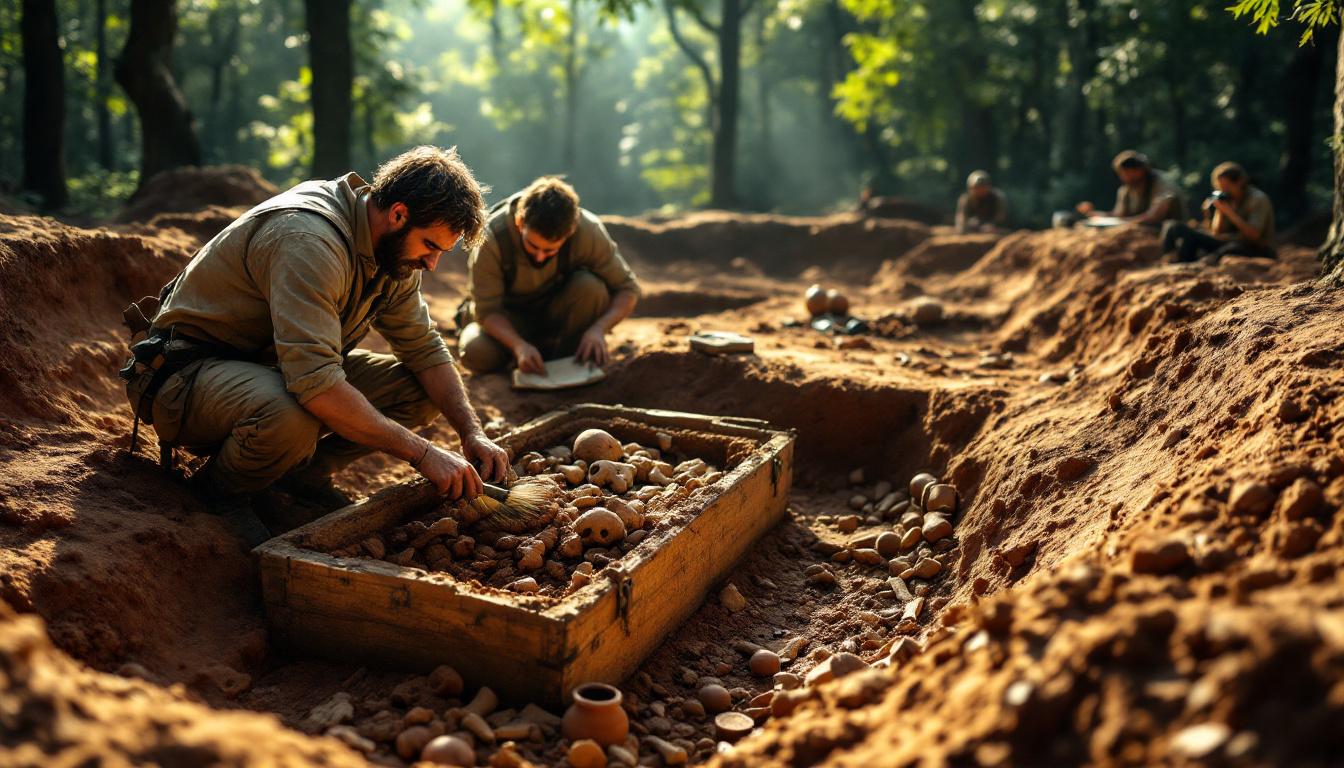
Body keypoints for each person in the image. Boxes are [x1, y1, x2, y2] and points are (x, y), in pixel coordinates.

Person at [120, 146, 509, 544]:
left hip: (273, 368)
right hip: (185, 375)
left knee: (419, 392)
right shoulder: (309, 240)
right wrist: (423, 454)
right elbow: (315, 384)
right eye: (430, 247)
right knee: (291, 415)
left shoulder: (393, 251)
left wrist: (471, 431)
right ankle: (221, 495)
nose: (432, 265)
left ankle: (292, 477)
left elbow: (424, 349)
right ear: (398, 214)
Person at [457, 177, 640, 374]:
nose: (540, 256)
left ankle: (563, 358)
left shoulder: (588, 230)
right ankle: (524, 359)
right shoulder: (491, 236)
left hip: (557, 314)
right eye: (533, 245)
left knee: (591, 287)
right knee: (475, 352)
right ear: (520, 223)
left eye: (550, 250)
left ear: (570, 231)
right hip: (509, 319)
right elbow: (487, 312)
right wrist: (519, 346)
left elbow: (628, 289)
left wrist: (598, 329)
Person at [1160, 162, 1276, 264]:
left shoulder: (1257, 199)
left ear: (1240, 182)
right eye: (1220, 187)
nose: (1224, 191)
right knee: (1180, 230)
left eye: (1226, 187)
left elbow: (1254, 235)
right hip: (1230, 242)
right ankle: (1181, 264)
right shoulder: (1229, 199)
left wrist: (1229, 212)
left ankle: (1203, 262)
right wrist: (1218, 211)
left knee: (1232, 248)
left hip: (1257, 248)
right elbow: (1217, 232)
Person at [1060, 150, 1185, 229]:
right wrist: (1093, 214)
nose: (1123, 178)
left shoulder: (1162, 184)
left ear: (1139, 170)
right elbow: (1117, 215)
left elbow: (1154, 216)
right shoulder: (1126, 190)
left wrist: (1125, 222)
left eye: (1125, 173)